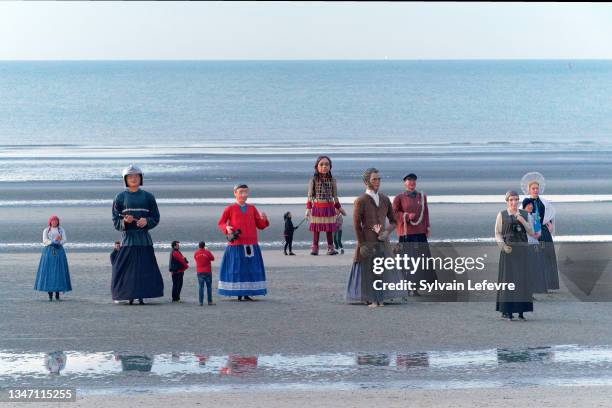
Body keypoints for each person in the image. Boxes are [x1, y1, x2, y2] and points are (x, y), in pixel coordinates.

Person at [346, 168, 407, 307]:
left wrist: (387, 232)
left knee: (381, 270)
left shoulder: (385, 199)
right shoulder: (360, 201)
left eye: (379, 179)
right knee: (368, 271)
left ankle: (379, 299)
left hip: (383, 241)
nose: (377, 181)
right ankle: (373, 300)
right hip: (367, 241)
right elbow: (356, 225)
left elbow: (394, 221)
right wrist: (362, 245)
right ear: (366, 181)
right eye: (374, 179)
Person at [111, 165, 164, 305]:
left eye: (136, 176)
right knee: (124, 270)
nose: (133, 179)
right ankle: (127, 295)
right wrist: (125, 222)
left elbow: (156, 218)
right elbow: (115, 221)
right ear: (125, 179)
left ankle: (142, 296)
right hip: (128, 240)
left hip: (144, 239)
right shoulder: (120, 197)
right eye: (130, 176)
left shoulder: (148, 197)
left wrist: (146, 221)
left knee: (145, 269)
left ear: (141, 178)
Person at [218, 184, 269, 301]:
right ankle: (238, 293)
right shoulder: (230, 209)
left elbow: (260, 225)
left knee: (249, 269)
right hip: (236, 245)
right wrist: (227, 228)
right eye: (241, 192)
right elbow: (221, 222)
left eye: (246, 192)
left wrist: (264, 219)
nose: (244, 195)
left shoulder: (252, 208)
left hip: (251, 244)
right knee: (237, 269)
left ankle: (247, 293)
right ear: (235, 193)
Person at [392, 173, 436, 295]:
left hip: (420, 232)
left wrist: (427, 227)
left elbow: (425, 212)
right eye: (409, 180)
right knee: (407, 261)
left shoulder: (422, 196)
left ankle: (416, 287)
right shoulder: (399, 197)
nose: (412, 182)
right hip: (406, 234)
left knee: (420, 260)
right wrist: (405, 216)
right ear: (405, 183)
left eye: (414, 180)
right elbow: (394, 214)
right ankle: (406, 286)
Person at [495, 190, 534, 320]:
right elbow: (497, 233)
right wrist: (503, 246)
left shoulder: (524, 214)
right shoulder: (502, 215)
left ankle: (521, 310)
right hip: (508, 251)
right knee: (508, 280)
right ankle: (506, 311)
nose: (514, 202)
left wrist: (522, 220)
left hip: (522, 251)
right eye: (511, 200)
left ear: (519, 201)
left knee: (521, 280)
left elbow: (531, 231)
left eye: (516, 199)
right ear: (507, 201)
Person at [521, 172, 559, 290]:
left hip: (544, 232)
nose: (535, 190)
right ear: (529, 189)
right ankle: (536, 283)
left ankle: (549, 283)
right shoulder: (526, 202)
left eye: (537, 188)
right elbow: (523, 216)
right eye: (533, 188)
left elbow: (550, 215)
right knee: (536, 256)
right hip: (533, 233)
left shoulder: (544, 202)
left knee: (547, 256)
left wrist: (551, 226)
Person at [305, 156, 343, 255]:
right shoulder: (313, 180)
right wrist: (308, 209)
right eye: (321, 164)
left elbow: (335, 196)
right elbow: (309, 196)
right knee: (316, 229)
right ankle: (315, 247)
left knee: (329, 228)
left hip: (329, 207)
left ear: (330, 166)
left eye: (327, 164)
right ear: (317, 167)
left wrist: (339, 207)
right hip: (317, 207)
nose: (324, 166)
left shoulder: (332, 180)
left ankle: (330, 248)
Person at [34, 215, 72, 301]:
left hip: (59, 251)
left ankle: (57, 294)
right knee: (49, 271)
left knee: (59, 271)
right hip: (48, 251)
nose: (54, 222)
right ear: (50, 222)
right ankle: (50, 294)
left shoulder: (61, 230)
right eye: (53, 221)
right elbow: (44, 240)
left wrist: (59, 242)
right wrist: (52, 242)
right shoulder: (46, 230)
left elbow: (65, 239)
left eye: (56, 221)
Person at [522, 198, 548, 294]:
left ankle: (532, 290)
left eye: (531, 204)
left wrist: (538, 233)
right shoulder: (522, 216)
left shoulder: (534, 216)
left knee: (534, 267)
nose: (530, 206)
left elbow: (537, 231)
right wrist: (534, 233)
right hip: (527, 244)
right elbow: (529, 231)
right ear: (524, 206)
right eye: (528, 204)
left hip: (534, 243)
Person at [194, 241, 216, 306]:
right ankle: (209, 301)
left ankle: (201, 302)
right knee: (209, 287)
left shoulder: (196, 253)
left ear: (199, 246)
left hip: (200, 271)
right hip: (207, 271)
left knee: (201, 287)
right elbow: (213, 258)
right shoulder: (207, 252)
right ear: (204, 245)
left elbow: (195, 258)